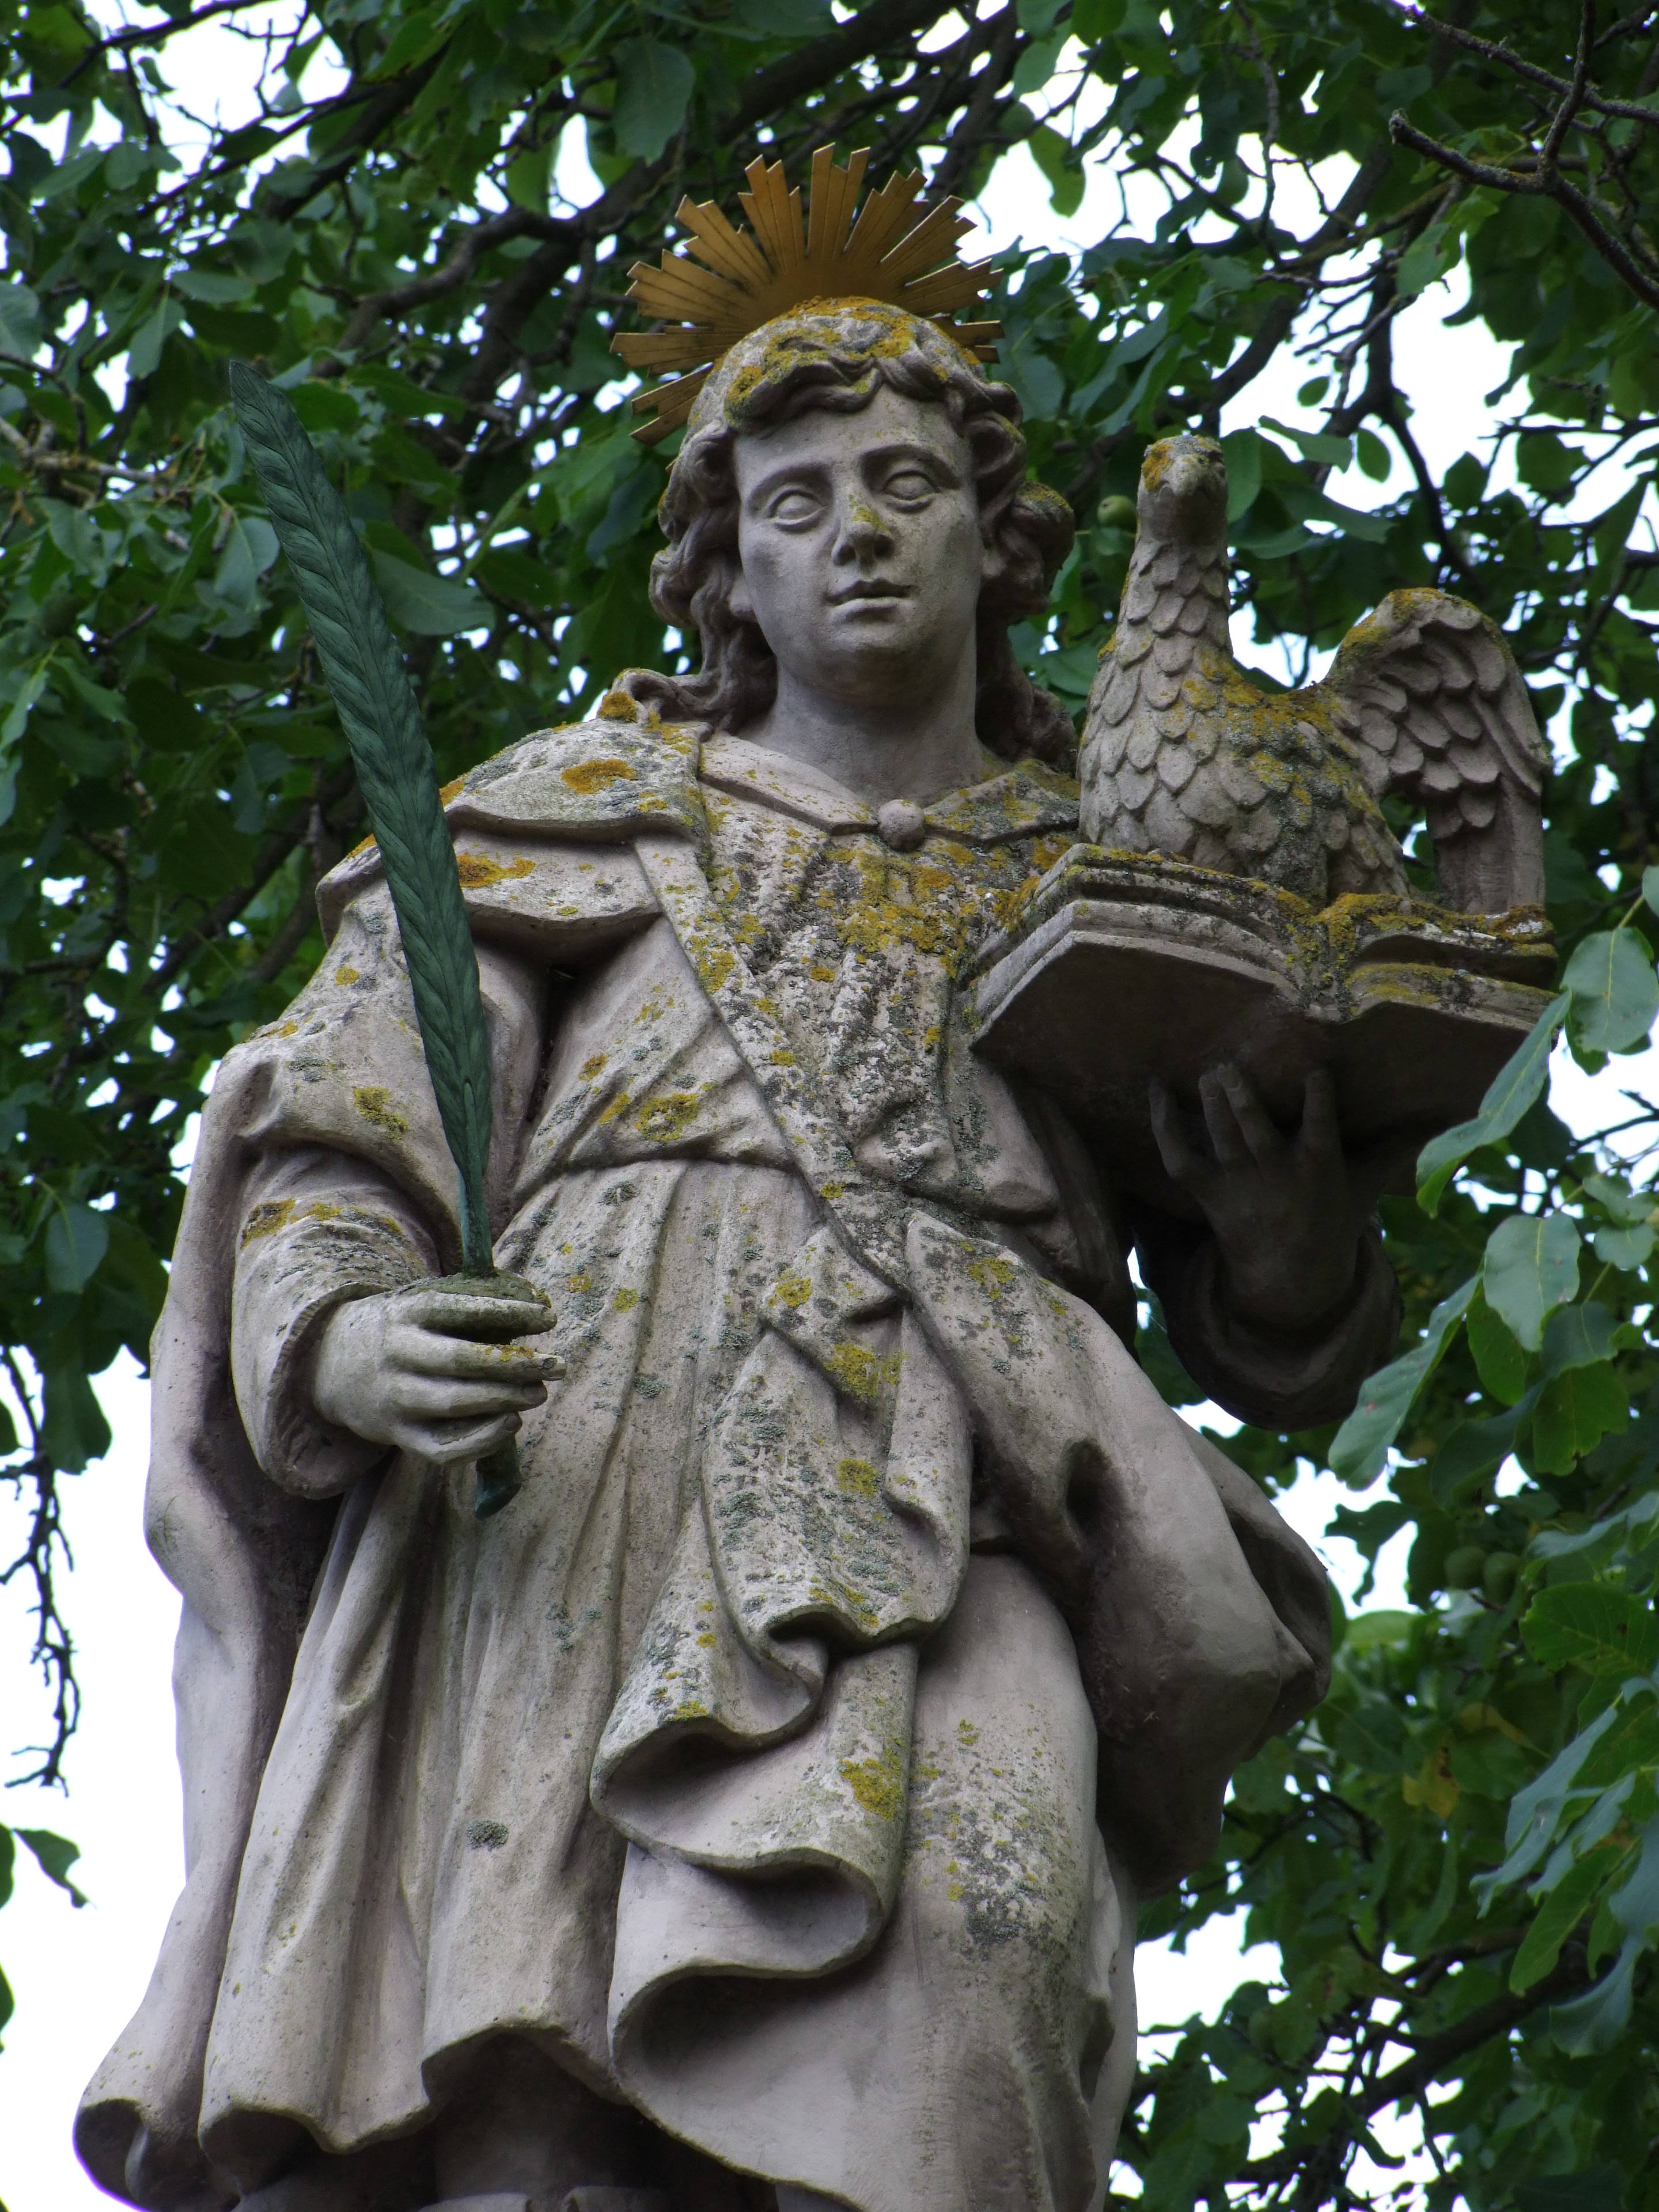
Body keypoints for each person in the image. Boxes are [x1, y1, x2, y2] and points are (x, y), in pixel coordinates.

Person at [79, 298, 1399, 2212]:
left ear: (996, 542)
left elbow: (1271, 1309)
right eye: (796, 501)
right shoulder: (578, 820)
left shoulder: (1109, 884)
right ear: (728, 572)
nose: (857, 531)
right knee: (528, 2078)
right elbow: (350, 1118)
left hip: (974, 1471)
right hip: (580, 1465)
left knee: (991, 1944)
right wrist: (344, 1329)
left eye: (907, 484)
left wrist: (1288, 1250)